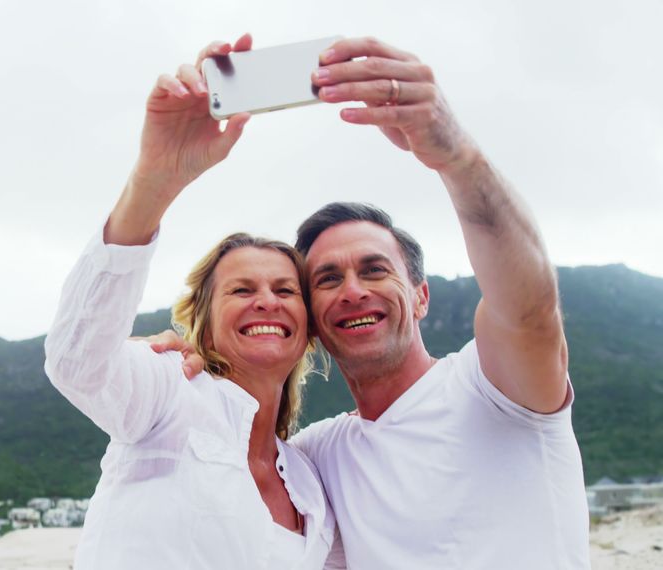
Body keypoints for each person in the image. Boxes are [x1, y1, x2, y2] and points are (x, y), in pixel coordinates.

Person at [153, 36, 590, 568]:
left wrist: (455, 155)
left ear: (421, 296)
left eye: (375, 269)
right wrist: (178, 363)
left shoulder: (494, 389)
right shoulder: (317, 461)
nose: (354, 290)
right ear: (312, 320)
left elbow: (529, 309)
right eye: (328, 279)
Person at [43, 35, 335, 569]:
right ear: (203, 318)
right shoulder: (168, 392)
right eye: (241, 290)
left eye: (285, 290)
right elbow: (76, 362)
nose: (266, 302)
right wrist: (156, 180)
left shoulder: (313, 485)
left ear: (309, 326)